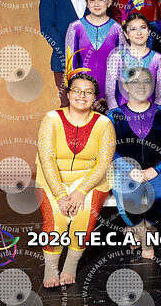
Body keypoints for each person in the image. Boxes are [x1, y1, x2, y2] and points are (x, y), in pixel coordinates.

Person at [35, 73, 116, 287]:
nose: (82, 95)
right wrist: (60, 195)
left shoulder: (104, 123)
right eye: (77, 90)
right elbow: (46, 159)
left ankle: (70, 264)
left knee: (83, 215)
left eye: (89, 92)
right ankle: (51, 267)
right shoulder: (51, 119)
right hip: (53, 179)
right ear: (68, 94)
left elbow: (103, 164)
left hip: (90, 181)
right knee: (56, 218)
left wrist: (81, 191)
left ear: (95, 97)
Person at [107, 67, 161, 259]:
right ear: (126, 86)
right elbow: (110, 150)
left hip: (158, 169)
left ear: (152, 86)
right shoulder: (114, 115)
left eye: (146, 81)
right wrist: (129, 170)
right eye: (135, 82)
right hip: (126, 171)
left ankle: (144, 228)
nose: (141, 86)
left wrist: (157, 169)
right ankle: (144, 236)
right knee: (129, 202)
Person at [40, 0, 89, 107]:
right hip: (63, 62)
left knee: (98, 109)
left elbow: (107, 23)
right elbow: (47, 27)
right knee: (69, 107)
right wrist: (68, 55)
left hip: (95, 61)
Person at [65, 0, 124, 112]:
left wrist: (115, 97)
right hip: (83, 93)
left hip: (112, 93)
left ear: (109, 2)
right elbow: (71, 66)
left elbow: (123, 65)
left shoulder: (117, 29)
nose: (96, 4)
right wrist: (79, 92)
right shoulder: (75, 27)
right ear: (86, 3)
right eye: (92, 0)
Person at [106, 13, 161, 109]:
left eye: (143, 28)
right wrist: (116, 114)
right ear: (126, 34)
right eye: (133, 29)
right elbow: (110, 94)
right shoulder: (117, 58)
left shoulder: (158, 59)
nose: (139, 33)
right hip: (122, 112)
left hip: (150, 113)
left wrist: (154, 114)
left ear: (148, 31)